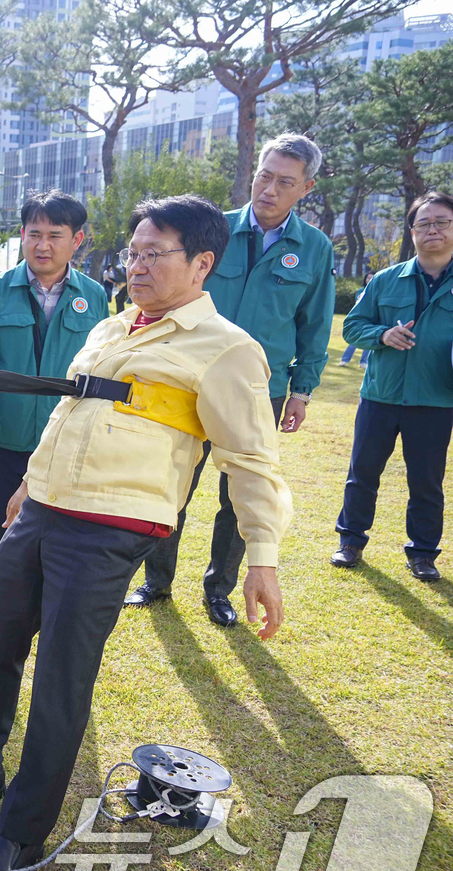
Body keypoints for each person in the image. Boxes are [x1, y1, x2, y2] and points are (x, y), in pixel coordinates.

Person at [0, 195, 290, 871]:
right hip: (46, 504)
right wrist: (30, 485)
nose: (136, 265)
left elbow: (252, 462)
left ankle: (19, 836)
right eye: (133, 252)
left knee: (61, 675)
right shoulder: (112, 327)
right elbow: (69, 413)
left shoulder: (228, 349)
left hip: (115, 524)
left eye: (154, 254)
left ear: (202, 262)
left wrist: (262, 556)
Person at [126, 134, 333, 628]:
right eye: (264, 175)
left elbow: (316, 324)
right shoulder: (210, 232)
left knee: (238, 493)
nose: (269, 189)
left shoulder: (315, 249)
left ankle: (219, 589)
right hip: (185, 375)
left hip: (259, 385)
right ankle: (157, 580)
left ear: (306, 187)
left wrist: (301, 389)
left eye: (285, 181)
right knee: (170, 480)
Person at [0, 189, 109, 562]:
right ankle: (2, 607)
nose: (43, 245)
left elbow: (102, 363)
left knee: (60, 532)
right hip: (3, 435)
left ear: (76, 240)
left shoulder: (94, 296)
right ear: (22, 235)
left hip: (65, 437)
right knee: (3, 527)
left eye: (55, 236)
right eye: (34, 234)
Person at [332, 191, 453, 582]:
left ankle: (423, 553)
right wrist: (383, 334)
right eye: (424, 223)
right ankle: (350, 541)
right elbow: (352, 326)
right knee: (362, 473)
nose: (432, 229)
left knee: (427, 481)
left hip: (436, 400)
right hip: (380, 396)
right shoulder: (387, 279)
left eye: (442, 222)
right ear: (412, 230)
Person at [339, 271, 377, 367]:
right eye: (368, 277)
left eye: (372, 278)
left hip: (372, 319)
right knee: (355, 340)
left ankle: (364, 362)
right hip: (361, 318)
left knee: (369, 340)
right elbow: (358, 304)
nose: (369, 280)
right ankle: (345, 360)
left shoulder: (378, 291)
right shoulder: (361, 291)